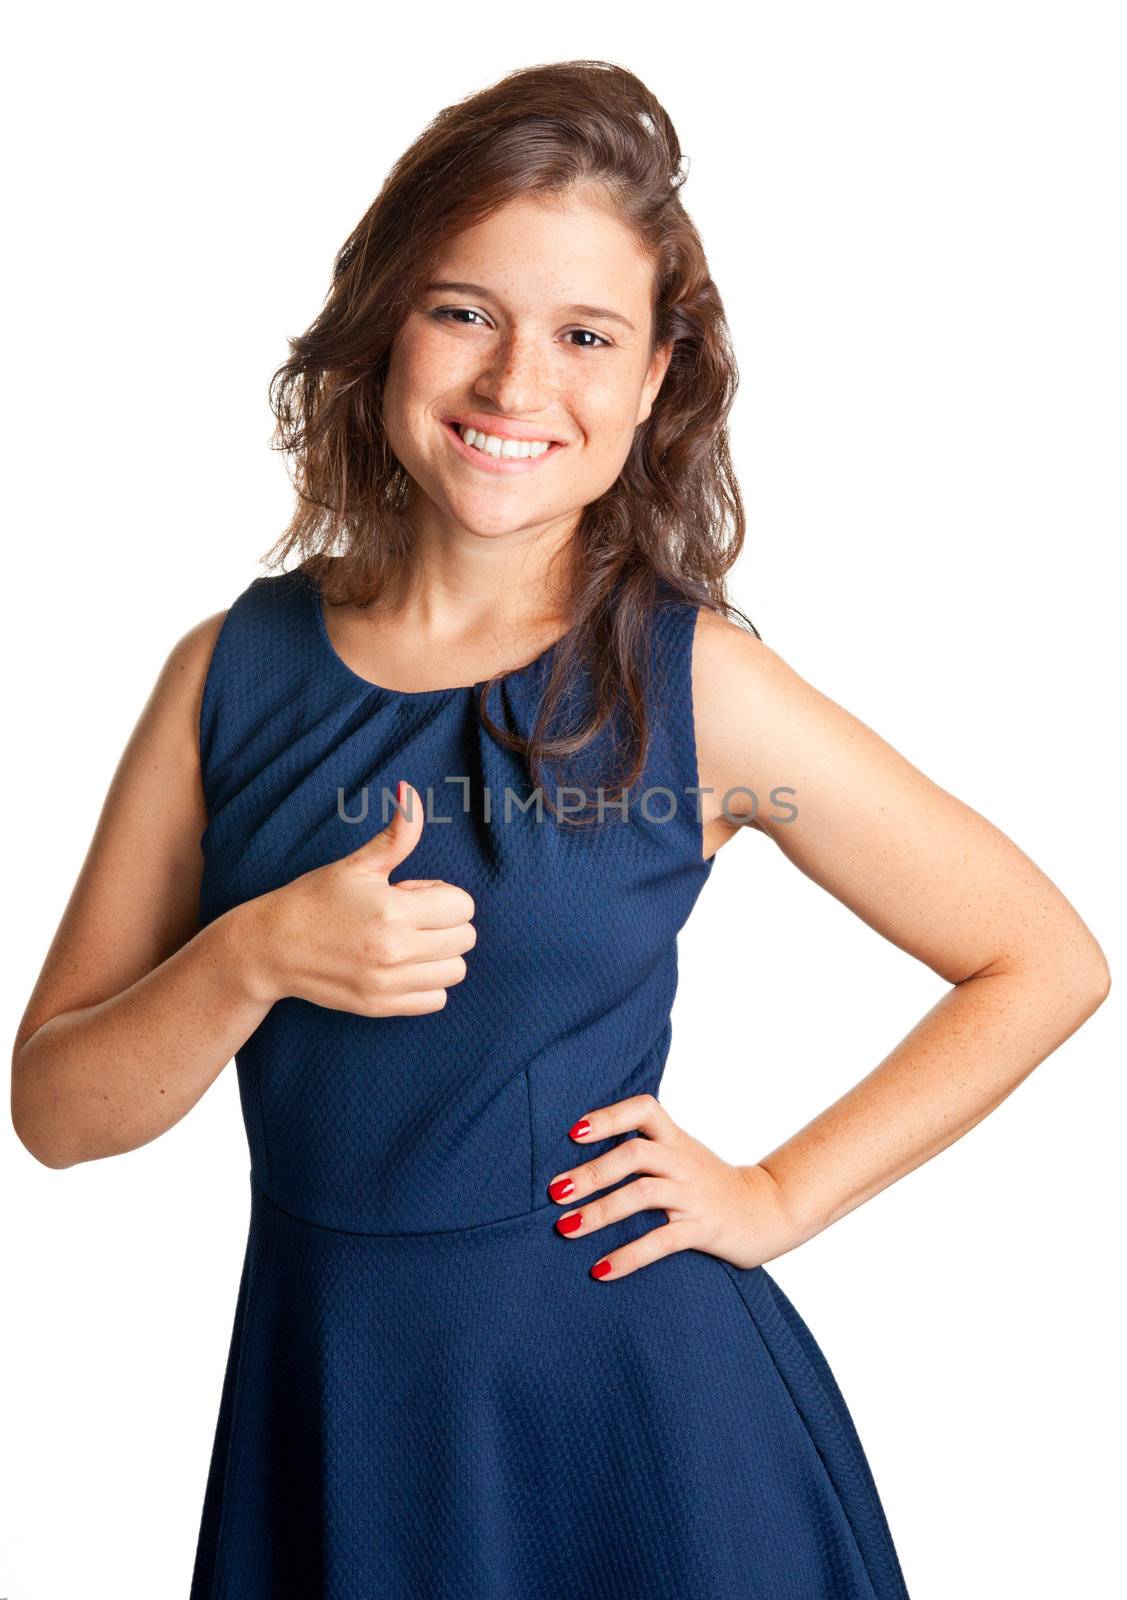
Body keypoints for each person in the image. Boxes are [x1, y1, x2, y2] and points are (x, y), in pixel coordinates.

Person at [10, 59, 1109, 1600]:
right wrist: (249, 957)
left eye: (586, 335)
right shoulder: (226, 677)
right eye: (465, 310)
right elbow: (54, 1113)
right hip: (329, 1415)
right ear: (386, 323)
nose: (517, 384)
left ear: (657, 379)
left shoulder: (698, 695)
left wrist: (776, 1197)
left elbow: (1042, 957)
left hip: (641, 1433)